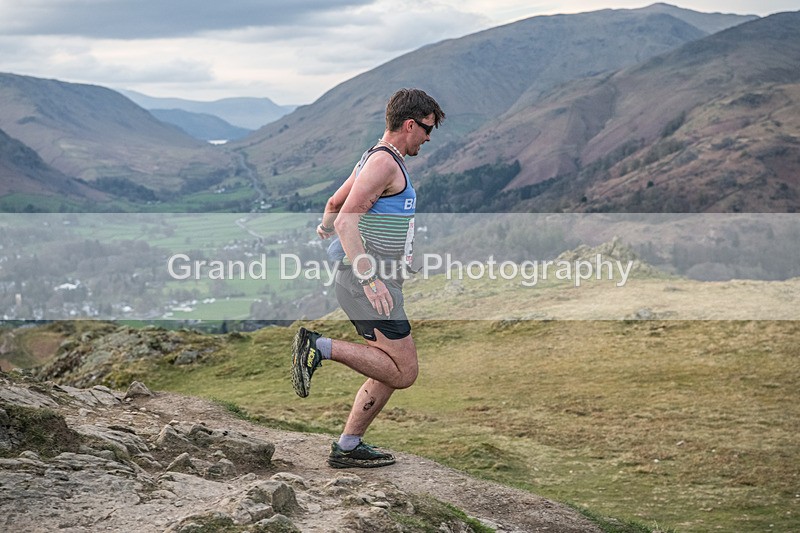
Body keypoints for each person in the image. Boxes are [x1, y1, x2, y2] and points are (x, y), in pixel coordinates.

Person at [291, 88, 445, 468]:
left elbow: (334, 206)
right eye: (427, 129)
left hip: (373, 279)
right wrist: (371, 279)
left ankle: (348, 445)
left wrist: (325, 227)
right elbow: (347, 218)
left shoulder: (373, 158)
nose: (428, 138)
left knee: (388, 365)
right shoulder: (384, 164)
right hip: (369, 284)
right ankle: (319, 347)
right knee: (405, 372)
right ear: (410, 124)